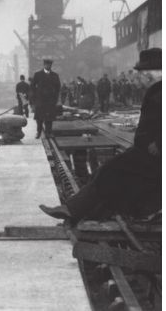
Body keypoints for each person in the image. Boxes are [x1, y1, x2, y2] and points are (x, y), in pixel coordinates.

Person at [40, 48, 161, 223]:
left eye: (144, 72)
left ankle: (76, 211)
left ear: (156, 71)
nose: (140, 76)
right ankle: (81, 212)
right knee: (108, 172)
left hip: (155, 154)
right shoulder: (156, 90)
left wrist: (160, 143)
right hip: (147, 151)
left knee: (110, 172)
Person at [30, 58, 61, 139]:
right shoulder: (38, 74)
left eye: (49, 65)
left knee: (49, 118)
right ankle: (39, 132)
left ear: (51, 65)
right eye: (47, 65)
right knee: (39, 118)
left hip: (50, 100)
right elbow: (32, 86)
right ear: (44, 65)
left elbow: (58, 87)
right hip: (40, 100)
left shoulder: (55, 75)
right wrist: (35, 97)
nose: (48, 66)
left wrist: (55, 98)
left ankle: (48, 132)